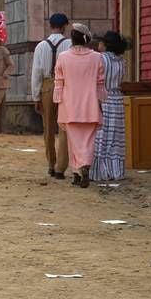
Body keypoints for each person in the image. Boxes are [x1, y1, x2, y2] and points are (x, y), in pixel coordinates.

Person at [53, 23, 105, 188]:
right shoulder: (97, 57)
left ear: (72, 39)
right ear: (86, 39)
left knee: (73, 142)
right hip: (90, 106)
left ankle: (78, 170)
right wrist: (101, 100)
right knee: (88, 142)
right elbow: (100, 83)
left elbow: (58, 82)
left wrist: (57, 100)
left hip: (69, 106)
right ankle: (82, 168)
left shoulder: (63, 57)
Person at [31, 13, 71, 179]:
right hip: (65, 85)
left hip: (47, 85)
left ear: (50, 26)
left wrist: (36, 96)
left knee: (48, 126)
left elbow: (36, 73)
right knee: (64, 127)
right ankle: (61, 165)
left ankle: (51, 164)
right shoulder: (69, 44)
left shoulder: (41, 46)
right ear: (64, 26)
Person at [90, 31, 127, 182]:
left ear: (105, 45)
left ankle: (100, 171)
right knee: (115, 136)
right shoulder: (122, 61)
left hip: (103, 99)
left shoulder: (100, 59)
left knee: (101, 135)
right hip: (117, 100)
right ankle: (115, 170)